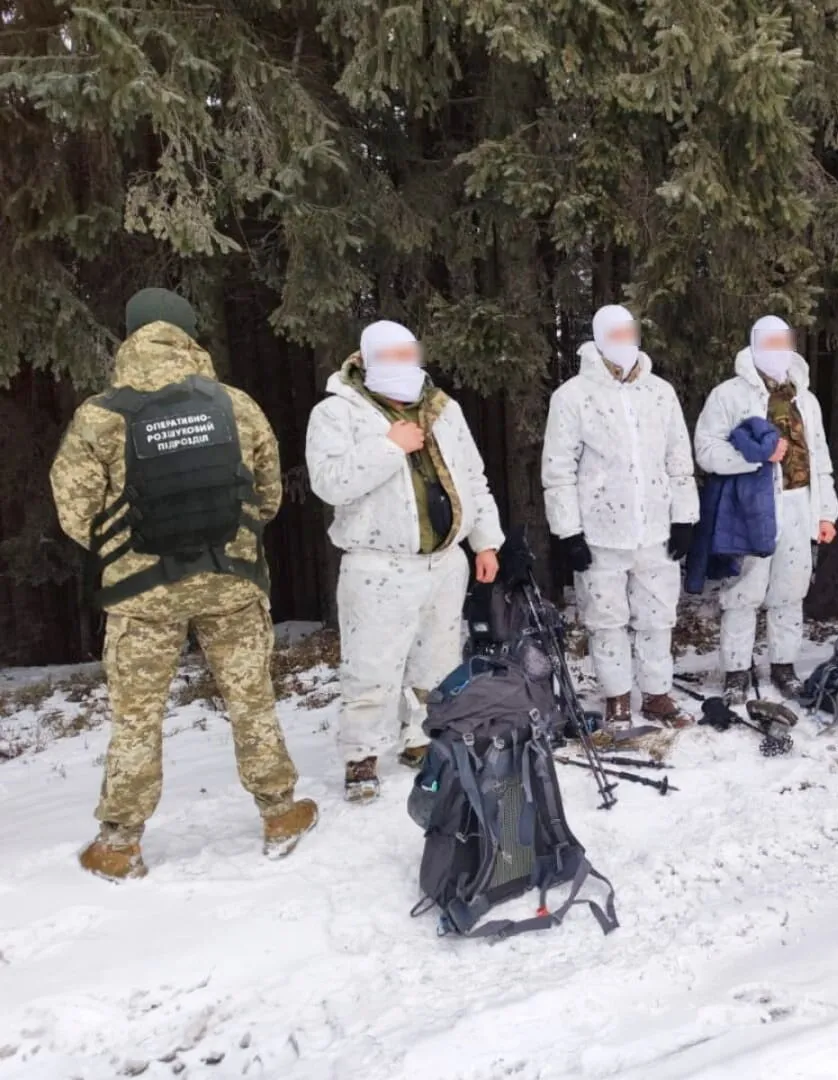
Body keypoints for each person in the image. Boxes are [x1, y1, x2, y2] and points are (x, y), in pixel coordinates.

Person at [49, 288, 316, 880]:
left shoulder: (100, 415)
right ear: (191, 333)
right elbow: (268, 495)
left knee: (137, 717)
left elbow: (75, 513)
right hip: (232, 583)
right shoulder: (236, 405)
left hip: (143, 597)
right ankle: (279, 812)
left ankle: (120, 844)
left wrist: (126, 551)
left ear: (132, 335)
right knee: (251, 701)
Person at [306, 320, 504, 801]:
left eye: (409, 354)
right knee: (372, 666)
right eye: (392, 356)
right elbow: (329, 482)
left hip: (443, 562)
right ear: (369, 359)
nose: (405, 364)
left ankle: (422, 739)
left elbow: (473, 478)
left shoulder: (443, 408)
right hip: (378, 565)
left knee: (437, 662)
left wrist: (486, 542)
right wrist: (389, 447)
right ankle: (362, 756)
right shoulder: (338, 413)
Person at [541, 305, 699, 729]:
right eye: (615, 332)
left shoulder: (660, 392)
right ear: (597, 337)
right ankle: (616, 697)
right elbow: (558, 469)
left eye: (630, 330)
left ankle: (657, 693)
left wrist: (685, 517)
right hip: (600, 532)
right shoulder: (572, 396)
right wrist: (568, 532)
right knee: (606, 619)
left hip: (656, 529)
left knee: (658, 616)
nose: (625, 338)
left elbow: (678, 459)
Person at [693, 316, 838, 703]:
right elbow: (706, 450)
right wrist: (755, 458)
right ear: (754, 345)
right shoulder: (729, 395)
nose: (778, 350)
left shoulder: (805, 399)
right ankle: (736, 670)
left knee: (790, 593)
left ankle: (784, 665)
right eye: (769, 342)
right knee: (743, 593)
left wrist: (826, 513)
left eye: (783, 342)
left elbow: (819, 457)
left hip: (798, 505)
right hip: (750, 507)